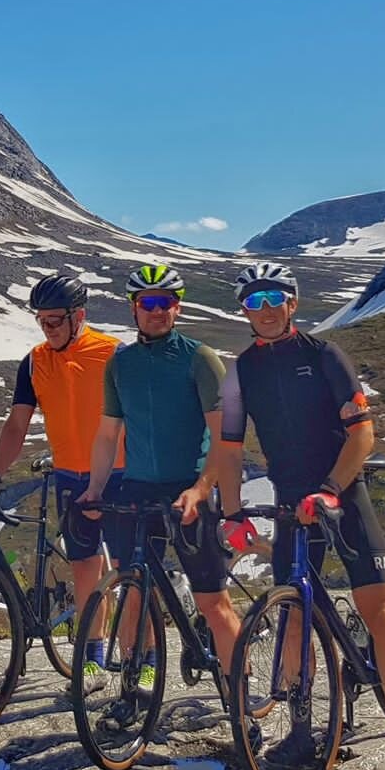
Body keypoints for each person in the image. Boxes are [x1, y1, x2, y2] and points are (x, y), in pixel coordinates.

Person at [208, 262, 385, 770]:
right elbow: (227, 446)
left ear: (292, 303)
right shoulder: (241, 371)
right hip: (292, 502)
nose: (264, 309)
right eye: (253, 300)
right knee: (293, 615)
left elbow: (363, 436)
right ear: (243, 309)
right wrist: (230, 513)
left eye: (275, 298)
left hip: (342, 494)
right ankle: (300, 731)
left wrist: (331, 489)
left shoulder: (325, 356)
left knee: (378, 610)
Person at [78, 262, 236, 701]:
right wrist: (94, 489)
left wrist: (202, 489)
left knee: (212, 603)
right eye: (147, 303)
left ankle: (239, 698)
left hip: (190, 486)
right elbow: (108, 434)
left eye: (165, 303)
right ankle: (138, 681)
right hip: (139, 489)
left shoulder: (199, 359)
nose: (157, 311)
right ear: (134, 309)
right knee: (134, 588)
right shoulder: (121, 363)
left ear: (177, 308)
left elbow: (226, 436)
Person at [0, 273, 123, 697]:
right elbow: (17, 423)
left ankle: (143, 664)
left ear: (78, 316)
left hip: (120, 474)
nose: (48, 329)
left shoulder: (113, 353)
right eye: (42, 322)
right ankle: (93, 660)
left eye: (55, 322)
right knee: (84, 568)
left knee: (128, 570)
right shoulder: (34, 361)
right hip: (69, 475)